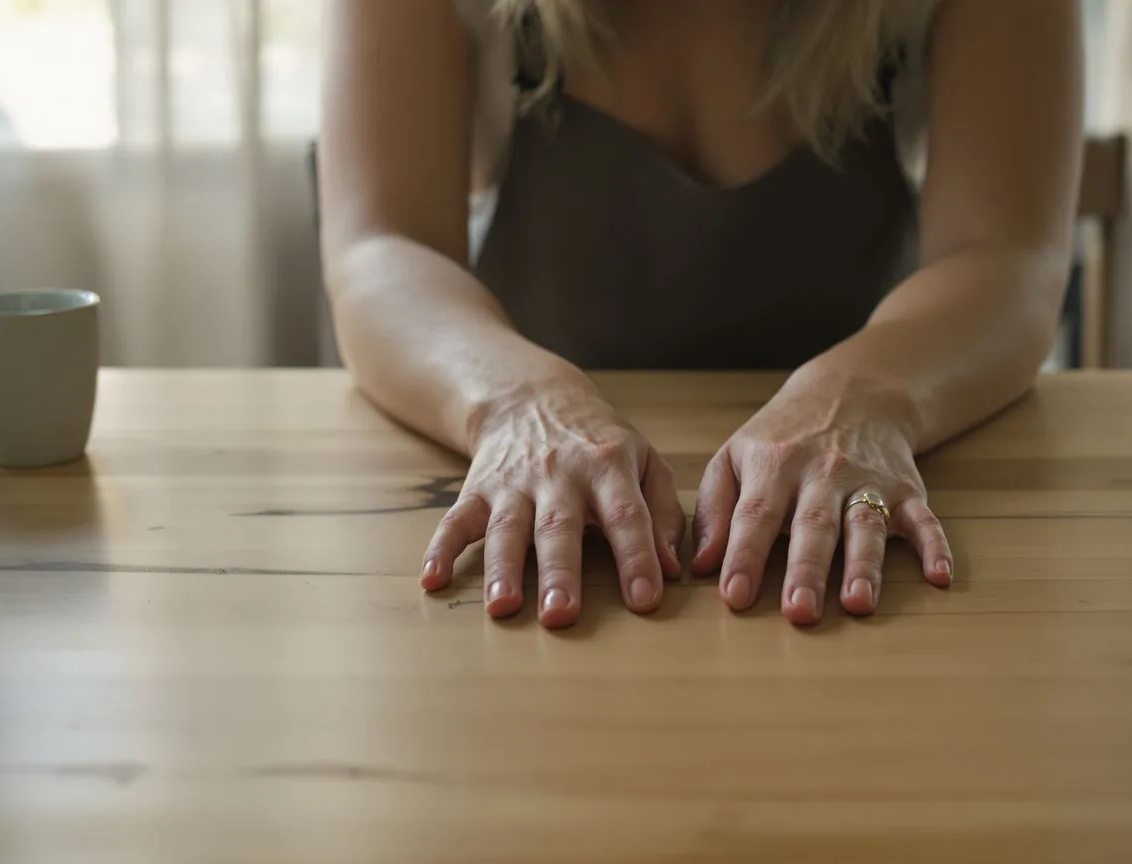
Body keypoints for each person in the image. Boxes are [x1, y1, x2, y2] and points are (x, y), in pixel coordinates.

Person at [317, 0, 1083, 628]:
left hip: (856, 523)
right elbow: (383, 249)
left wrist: (861, 398)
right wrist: (519, 405)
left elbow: (1007, 257)